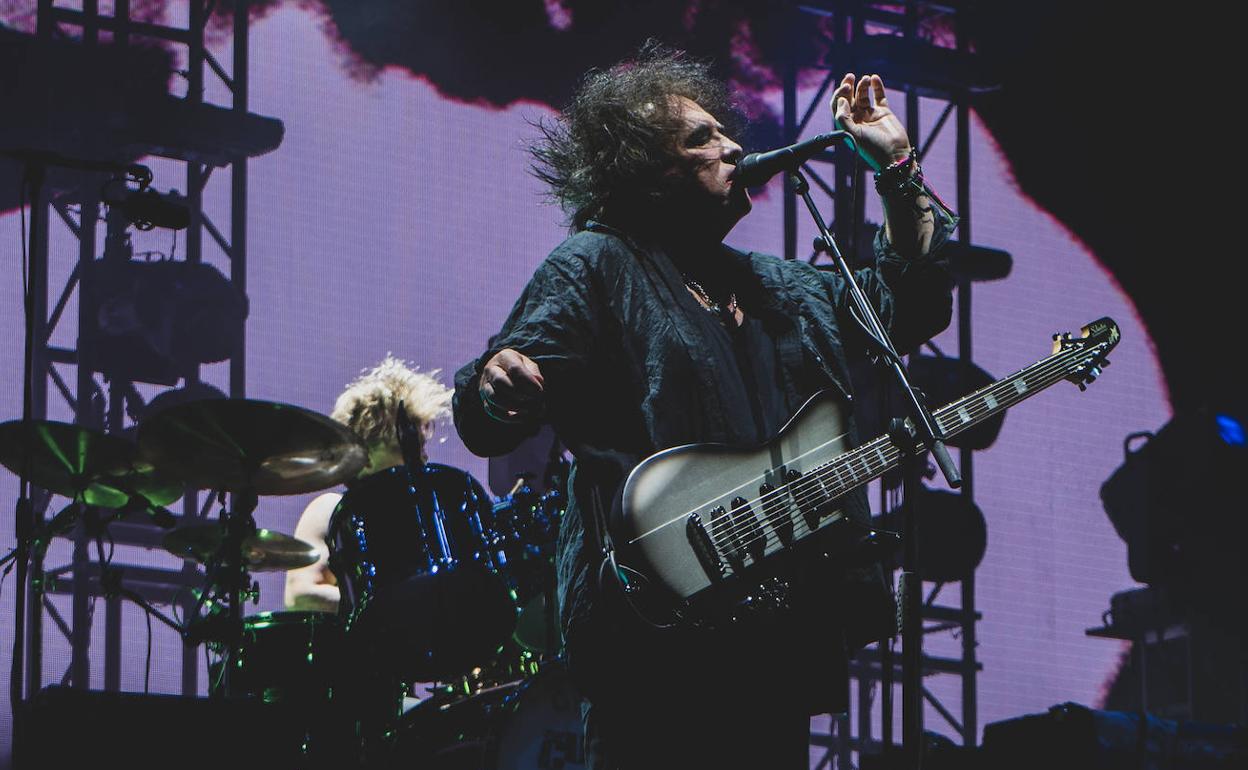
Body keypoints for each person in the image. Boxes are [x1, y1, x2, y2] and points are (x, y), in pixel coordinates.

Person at [453, 42, 956, 770]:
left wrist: (898, 171)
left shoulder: (780, 287)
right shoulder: (599, 264)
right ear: (645, 175)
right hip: (653, 639)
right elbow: (493, 399)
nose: (732, 145)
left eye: (725, 131)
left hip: (774, 642)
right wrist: (501, 385)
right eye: (703, 139)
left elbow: (903, 308)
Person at [284, 355, 454, 613]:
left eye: (420, 446)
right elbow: (303, 594)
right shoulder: (331, 509)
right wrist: (391, 610)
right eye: (404, 448)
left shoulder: (427, 521)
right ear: (363, 456)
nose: (421, 457)